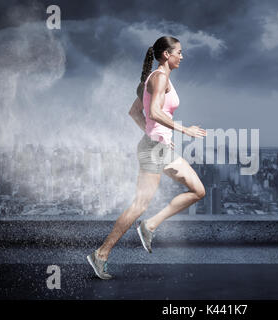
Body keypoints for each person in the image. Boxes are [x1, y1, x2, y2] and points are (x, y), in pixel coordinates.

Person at [87, 36, 207, 280]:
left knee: (198, 191)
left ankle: (149, 225)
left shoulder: (152, 79)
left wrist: (157, 132)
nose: (182, 56)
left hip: (160, 147)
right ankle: (101, 254)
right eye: (179, 52)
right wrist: (185, 130)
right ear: (166, 54)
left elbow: (135, 112)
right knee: (139, 205)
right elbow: (153, 112)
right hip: (153, 150)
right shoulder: (160, 78)